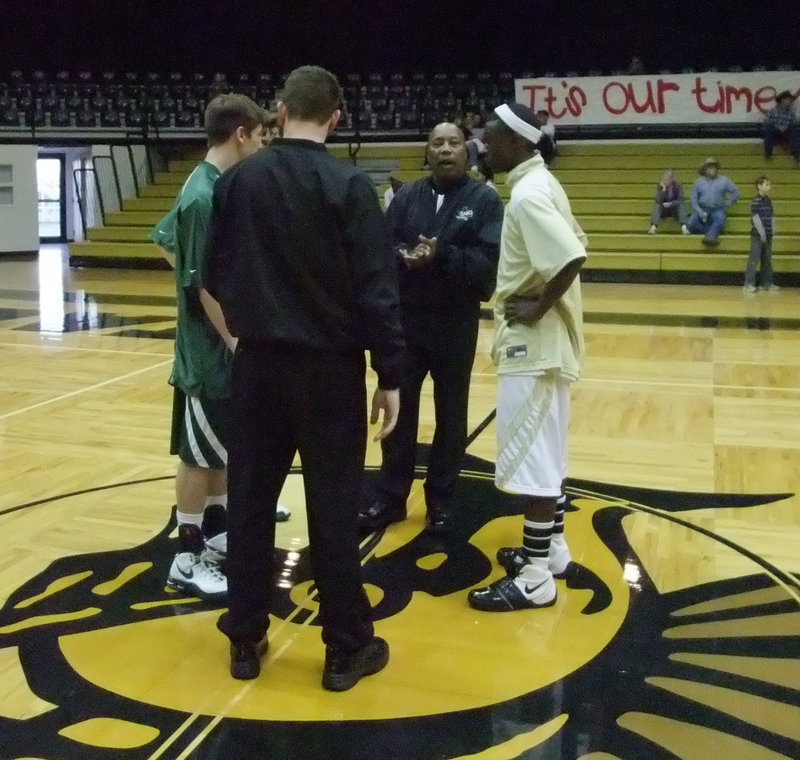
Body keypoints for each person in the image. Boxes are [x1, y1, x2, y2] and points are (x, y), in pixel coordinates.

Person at [208, 65, 406, 690]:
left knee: (249, 505)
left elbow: (212, 274)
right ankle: (346, 650)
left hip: (258, 364)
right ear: (337, 118)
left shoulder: (238, 182)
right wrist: (390, 374)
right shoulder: (350, 187)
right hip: (328, 373)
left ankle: (244, 638)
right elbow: (378, 293)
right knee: (332, 509)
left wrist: (253, 323)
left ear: (279, 108)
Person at [358, 122, 504, 536]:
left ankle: (440, 501)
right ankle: (390, 497)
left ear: (466, 151)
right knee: (399, 414)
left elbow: (487, 266)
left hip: (455, 325)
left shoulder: (485, 200)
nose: (445, 150)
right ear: (427, 150)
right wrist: (404, 256)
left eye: (453, 143)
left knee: (451, 417)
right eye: (437, 142)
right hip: (407, 324)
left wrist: (442, 256)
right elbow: (380, 250)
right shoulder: (406, 197)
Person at [467, 102, 585, 613]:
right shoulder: (543, 184)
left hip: (532, 349)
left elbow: (571, 254)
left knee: (534, 464)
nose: (483, 146)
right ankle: (552, 549)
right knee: (550, 456)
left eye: (490, 138)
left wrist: (538, 302)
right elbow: (578, 239)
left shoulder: (528, 196)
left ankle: (536, 577)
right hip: (546, 350)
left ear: (517, 141)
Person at [153, 94, 265, 601]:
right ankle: (186, 556)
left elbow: (165, 238)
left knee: (220, 446)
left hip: (214, 350)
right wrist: (236, 340)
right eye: (261, 136)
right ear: (241, 133)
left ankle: (218, 532)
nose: (264, 145)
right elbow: (202, 288)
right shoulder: (201, 196)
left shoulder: (213, 188)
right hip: (205, 354)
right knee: (198, 456)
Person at [687, 157, 740, 246]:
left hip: (718, 209)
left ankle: (710, 235)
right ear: (705, 169)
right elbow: (693, 199)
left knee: (720, 219)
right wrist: (700, 212)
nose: (712, 169)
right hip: (702, 208)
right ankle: (710, 234)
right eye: (709, 167)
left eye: (714, 167)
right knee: (692, 222)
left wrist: (728, 202)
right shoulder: (698, 182)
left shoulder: (724, 180)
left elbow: (736, 192)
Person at [744, 176, 779, 293]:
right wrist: (762, 232)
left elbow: (771, 215)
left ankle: (767, 283)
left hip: (768, 235)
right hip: (758, 236)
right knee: (754, 259)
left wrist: (773, 228)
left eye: (769, 185)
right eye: (766, 184)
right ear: (759, 186)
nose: (769, 187)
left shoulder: (768, 200)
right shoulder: (756, 201)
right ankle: (748, 284)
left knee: (767, 259)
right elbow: (755, 218)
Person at [648, 169, 690, 234]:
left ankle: (684, 227)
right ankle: (653, 227)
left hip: (674, 209)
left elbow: (681, 199)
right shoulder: (660, 186)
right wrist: (663, 190)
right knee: (657, 205)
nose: (665, 181)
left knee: (681, 205)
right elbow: (658, 200)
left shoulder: (678, 186)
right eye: (664, 179)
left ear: (671, 180)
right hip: (664, 210)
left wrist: (671, 204)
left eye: (667, 179)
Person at [763, 90, 799, 162]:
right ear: (782, 100)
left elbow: (794, 122)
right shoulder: (773, 111)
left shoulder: (791, 112)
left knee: (793, 130)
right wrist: (778, 126)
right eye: (788, 100)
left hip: (786, 132)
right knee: (769, 129)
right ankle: (768, 152)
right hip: (775, 132)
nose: (790, 102)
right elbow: (767, 121)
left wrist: (785, 127)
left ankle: (796, 153)